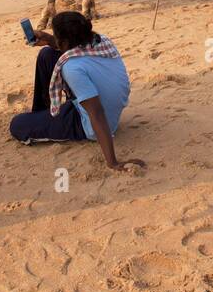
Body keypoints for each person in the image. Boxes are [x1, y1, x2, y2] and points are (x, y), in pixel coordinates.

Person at [9, 12, 144, 172]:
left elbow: (97, 112)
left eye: (57, 37)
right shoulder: (102, 41)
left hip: (93, 124)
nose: (55, 39)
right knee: (47, 54)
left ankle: (45, 122)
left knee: (18, 125)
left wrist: (112, 162)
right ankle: (44, 115)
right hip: (106, 107)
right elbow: (70, 50)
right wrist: (50, 40)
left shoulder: (72, 68)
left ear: (65, 41)